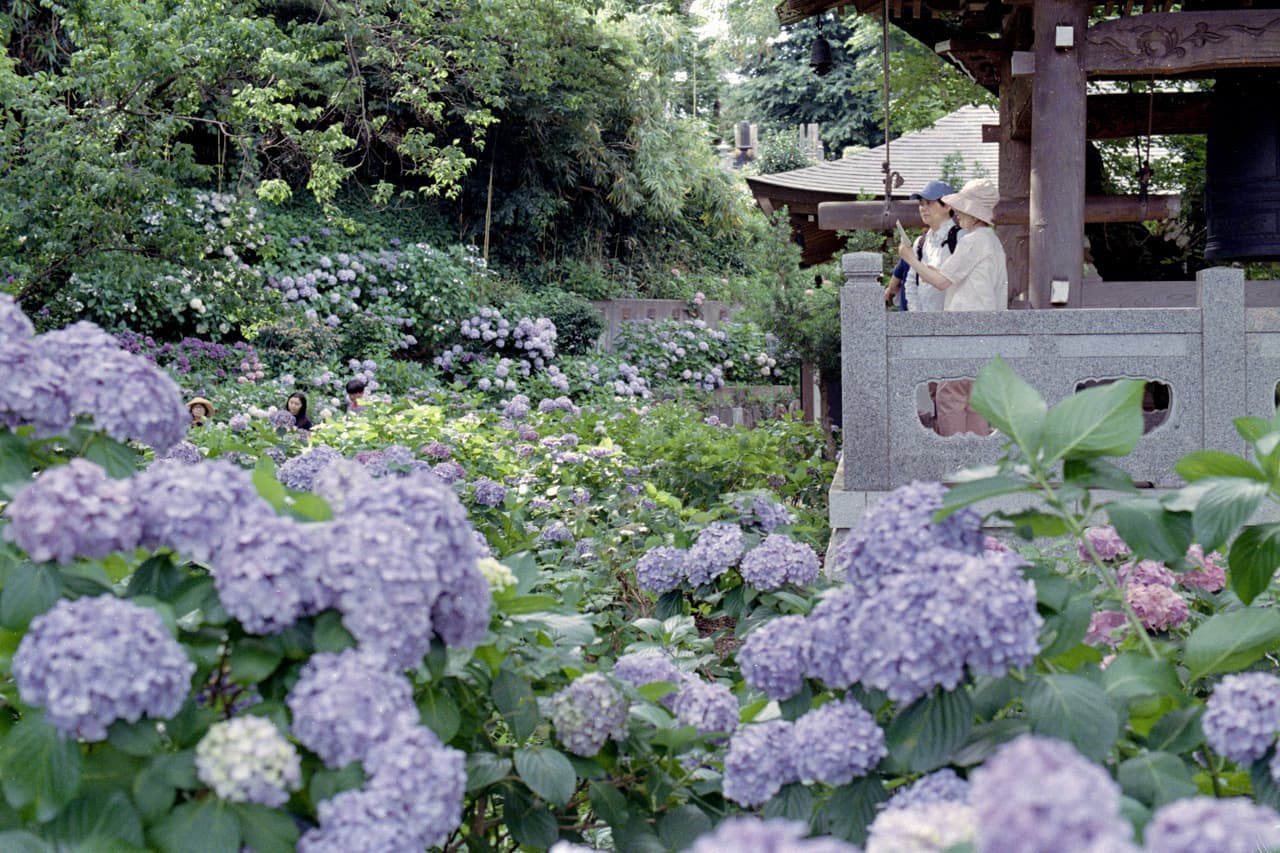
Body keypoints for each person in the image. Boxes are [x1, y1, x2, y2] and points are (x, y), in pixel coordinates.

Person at [897, 177, 1007, 436]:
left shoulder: (972, 241)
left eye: (962, 207)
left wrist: (910, 260)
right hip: (985, 334)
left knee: (950, 395)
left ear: (973, 212)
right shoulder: (991, 242)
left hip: (963, 333)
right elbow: (946, 273)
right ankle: (977, 468)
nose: (957, 212)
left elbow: (940, 281)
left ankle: (952, 467)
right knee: (974, 401)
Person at [884, 180, 959, 313]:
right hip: (923, 325)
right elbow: (911, 282)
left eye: (929, 203)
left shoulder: (961, 239)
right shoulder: (921, 243)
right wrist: (917, 316)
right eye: (921, 203)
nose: (923, 208)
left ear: (947, 206)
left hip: (953, 323)